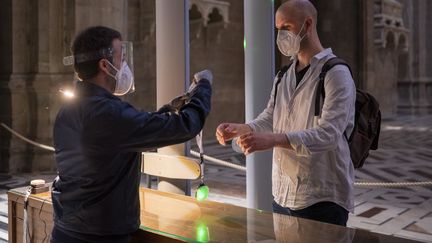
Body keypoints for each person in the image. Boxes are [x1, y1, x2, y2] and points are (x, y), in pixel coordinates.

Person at [51, 26, 212, 243]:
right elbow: (186, 126)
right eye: (121, 57)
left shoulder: (69, 108)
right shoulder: (108, 112)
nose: (124, 64)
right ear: (104, 65)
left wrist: (165, 111)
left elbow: (118, 138)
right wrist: (203, 87)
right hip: (100, 235)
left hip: (67, 228)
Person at [216, 0, 355, 226]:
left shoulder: (335, 73)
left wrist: (272, 140)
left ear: (307, 24)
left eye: (287, 28)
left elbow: (329, 134)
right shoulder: (284, 75)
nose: (281, 35)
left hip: (321, 198)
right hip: (282, 195)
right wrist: (241, 129)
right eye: (278, 29)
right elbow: (270, 117)